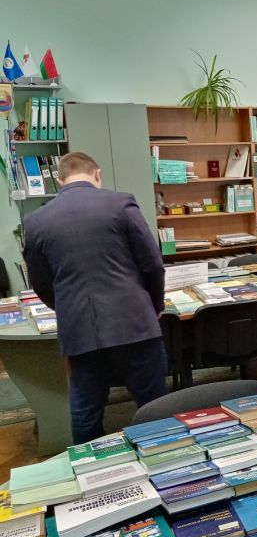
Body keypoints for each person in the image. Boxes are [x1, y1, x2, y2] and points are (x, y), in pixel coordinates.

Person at [22, 152, 167, 444]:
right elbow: (152, 264)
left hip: (79, 330)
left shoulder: (35, 221)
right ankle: (163, 459)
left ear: (60, 180)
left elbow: (40, 282)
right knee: (154, 407)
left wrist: (67, 307)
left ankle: (91, 466)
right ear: (97, 174)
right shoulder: (121, 204)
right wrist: (154, 305)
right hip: (134, 323)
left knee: (85, 412)